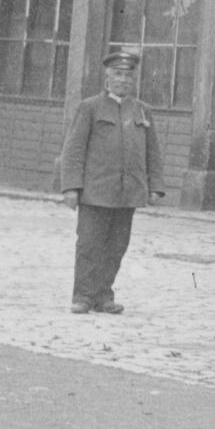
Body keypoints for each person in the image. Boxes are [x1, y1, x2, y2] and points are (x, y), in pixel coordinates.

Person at [58, 48, 164, 314]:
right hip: (96, 191)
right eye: (118, 75)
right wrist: (71, 187)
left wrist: (155, 187)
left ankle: (104, 295)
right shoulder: (90, 108)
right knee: (90, 245)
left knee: (117, 247)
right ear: (107, 78)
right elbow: (73, 150)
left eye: (128, 76)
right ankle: (83, 295)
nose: (123, 80)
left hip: (128, 193)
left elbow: (153, 151)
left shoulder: (142, 111)